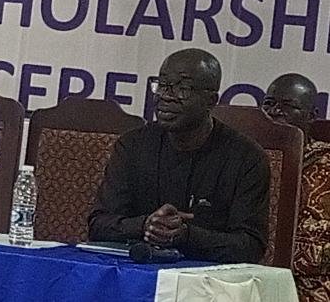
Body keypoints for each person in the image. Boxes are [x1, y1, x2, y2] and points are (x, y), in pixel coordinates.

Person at [88, 48, 270, 263]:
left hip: (208, 282)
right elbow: (99, 225)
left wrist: (186, 236)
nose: (166, 96)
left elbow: (250, 247)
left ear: (211, 101)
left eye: (182, 88)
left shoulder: (246, 158)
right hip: (135, 272)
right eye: (163, 85)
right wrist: (146, 225)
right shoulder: (132, 145)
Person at [262, 73, 328, 300]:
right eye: (269, 104)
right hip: (253, 273)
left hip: (315, 282)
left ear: (312, 116)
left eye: (288, 106)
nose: (275, 112)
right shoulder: (245, 157)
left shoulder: (325, 162)